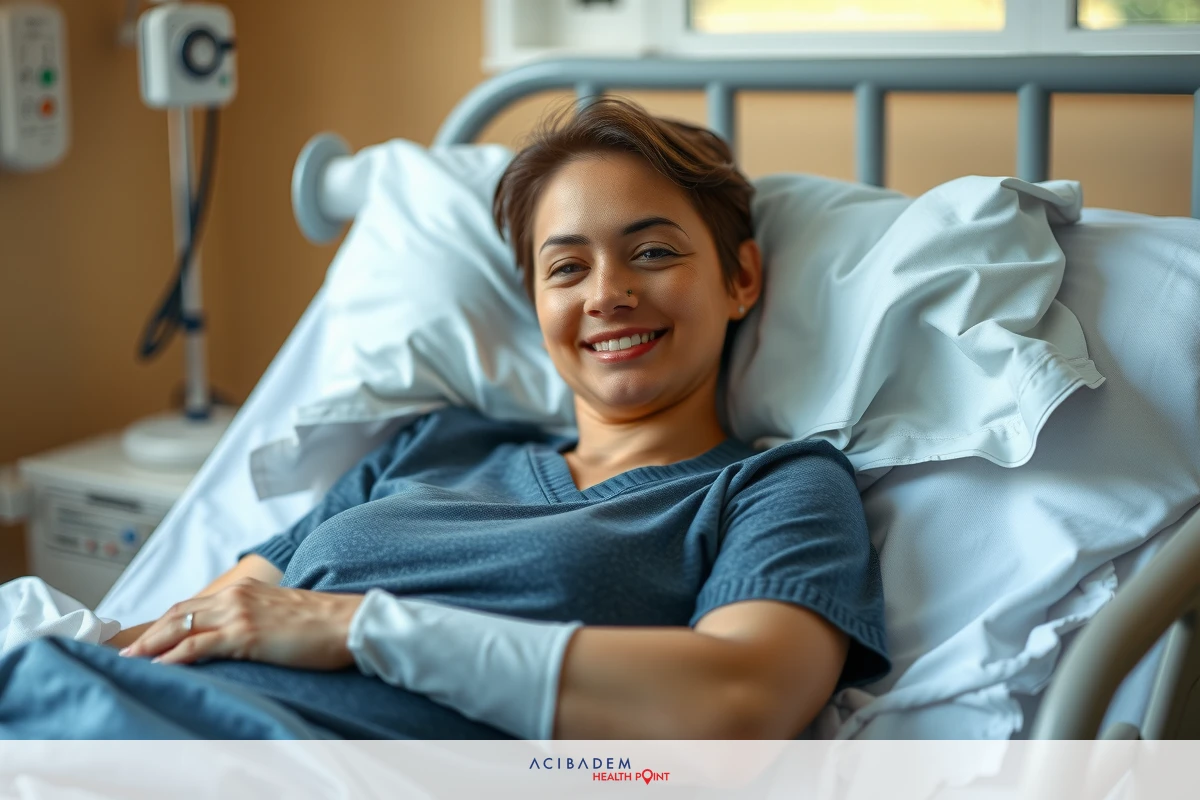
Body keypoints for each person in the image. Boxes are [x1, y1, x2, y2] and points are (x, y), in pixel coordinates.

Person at [1, 97, 888, 740]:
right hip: (91, 713)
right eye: (566, 269)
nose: (609, 294)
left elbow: (736, 702)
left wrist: (357, 626)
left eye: (651, 253)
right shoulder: (436, 441)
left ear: (742, 279)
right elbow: (211, 616)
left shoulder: (773, 487)